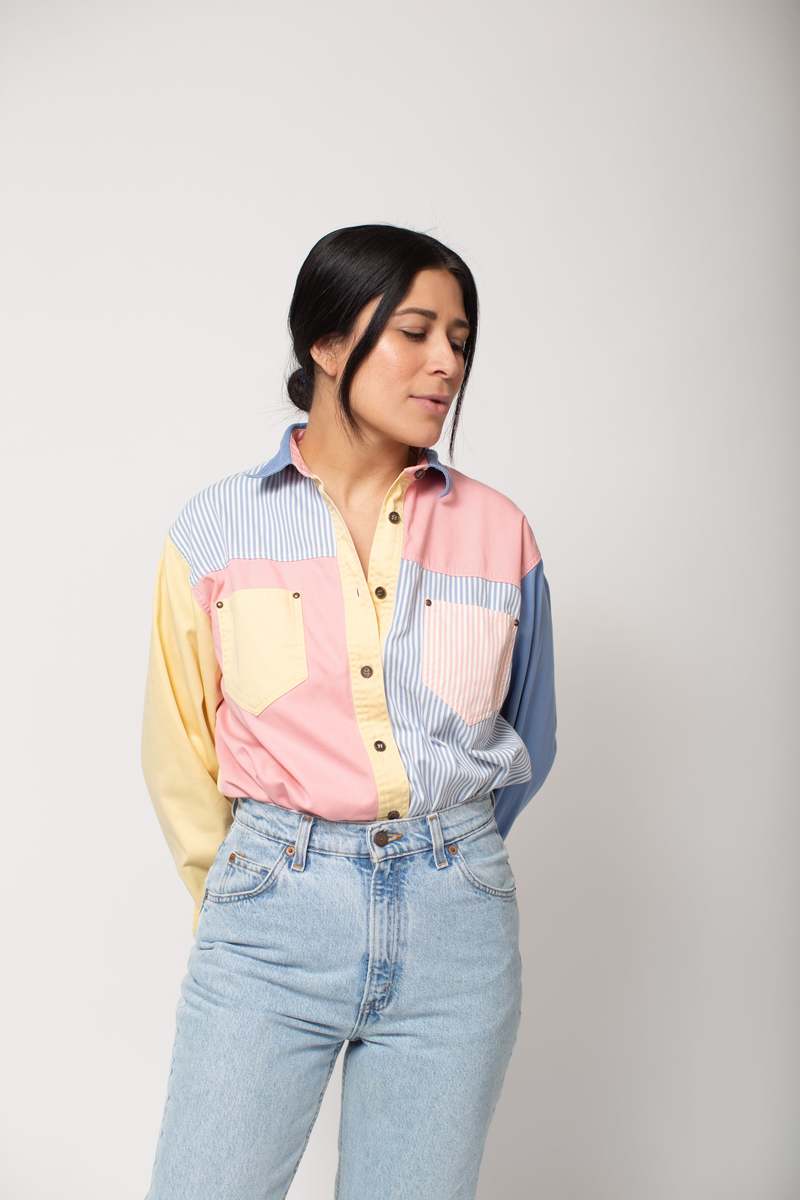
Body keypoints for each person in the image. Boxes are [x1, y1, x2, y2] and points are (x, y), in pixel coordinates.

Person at [140, 223, 558, 1200]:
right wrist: (241, 894)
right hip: (270, 916)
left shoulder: (499, 533)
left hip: (457, 929)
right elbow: (179, 744)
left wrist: (444, 857)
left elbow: (527, 728)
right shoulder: (216, 529)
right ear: (328, 345)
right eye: (415, 332)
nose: (446, 362)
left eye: (459, 339)